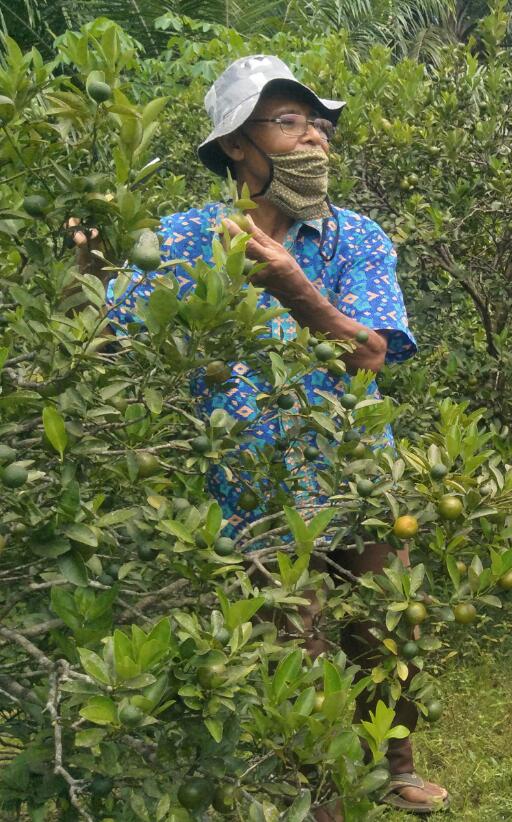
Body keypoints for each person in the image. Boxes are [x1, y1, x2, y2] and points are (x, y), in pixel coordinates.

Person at [93, 56, 447, 815]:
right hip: (249, 494)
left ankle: (396, 762)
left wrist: (295, 288)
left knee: (390, 634)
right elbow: (107, 341)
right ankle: (321, 792)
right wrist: (90, 261)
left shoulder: (357, 238)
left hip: (358, 473)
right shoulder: (184, 241)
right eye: (290, 123)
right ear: (235, 146)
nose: (315, 140)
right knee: (298, 651)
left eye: (319, 124)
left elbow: (372, 356)